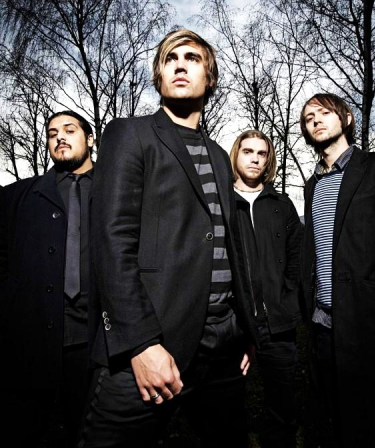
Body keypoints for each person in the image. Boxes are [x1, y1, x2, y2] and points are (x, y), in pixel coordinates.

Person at [78, 29, 257, 448]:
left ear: (209, 78)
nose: (179, 65)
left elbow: (230, 247)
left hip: (224, 345)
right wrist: (139, 343)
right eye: (169, 59)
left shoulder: (219, 155)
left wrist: (246, 329)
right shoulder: (129, 134)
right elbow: (111, 241)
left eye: (192, 58)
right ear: (159, 76)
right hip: (155, 344)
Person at [299, 93, 375, 448]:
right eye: (308, 117)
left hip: (373, 328)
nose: (316, 119)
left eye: (324, 112)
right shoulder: (312, 186)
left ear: (347, 119)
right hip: (323, 329)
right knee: (333, 426)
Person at [0, 110, 95, 447]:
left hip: (94, 344)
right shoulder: (16, 197)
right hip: (30, 341)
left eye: (69, 130)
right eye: (53, 133)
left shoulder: (118, 191)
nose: (60, 137)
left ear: (90, 139)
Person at [230, 130, 303, 448]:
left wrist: (287, 298)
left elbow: (297, 257)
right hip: (232, 323)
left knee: (283, 407)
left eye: (262, 153)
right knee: (227, 409)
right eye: (248, 151)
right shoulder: (221, 203)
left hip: (278, 322)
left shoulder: (281, 205)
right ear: (236, 154)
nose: (255, 159)